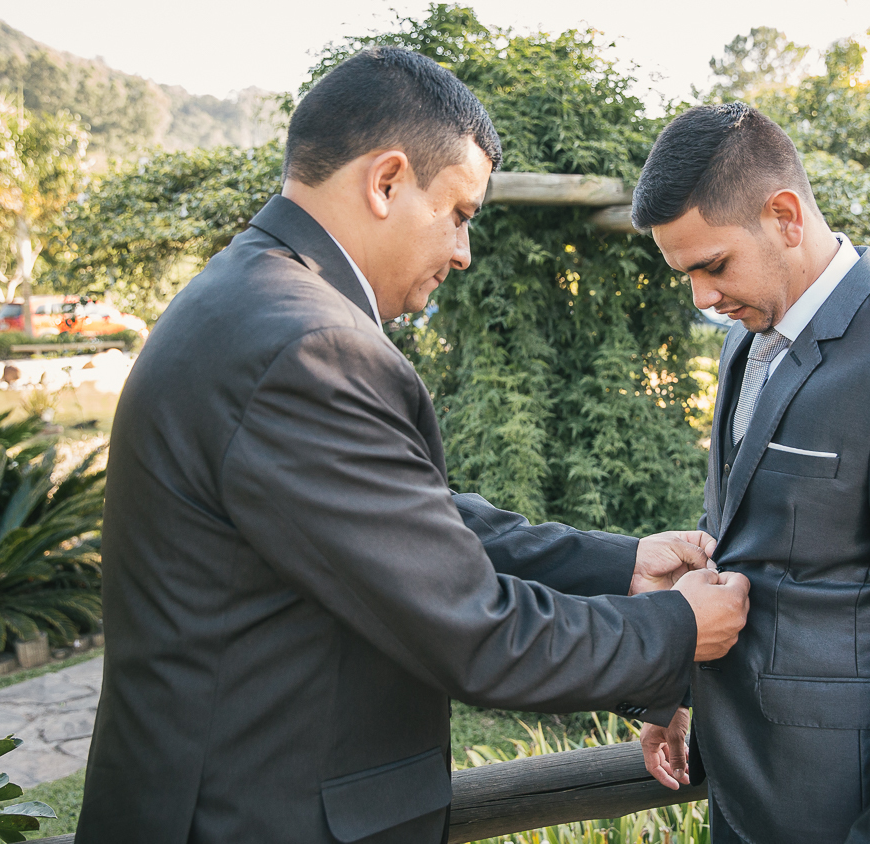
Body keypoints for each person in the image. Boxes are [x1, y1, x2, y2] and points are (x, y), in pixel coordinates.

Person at [77, 50, 751, 844]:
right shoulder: (308, 344)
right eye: (460, 214)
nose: (463, 253)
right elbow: (473, 628)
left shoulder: (252, 300)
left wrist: (620, 566)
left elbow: (412, 523)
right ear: (387, 180)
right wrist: (675, 629)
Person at [633, 103, 870, 844]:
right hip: (740, 791)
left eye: (712, 265)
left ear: (785, 215)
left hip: (846, 807)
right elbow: (738, 544)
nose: (702, 299)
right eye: (685, 274)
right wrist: (672, 692)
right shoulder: (745, 342)